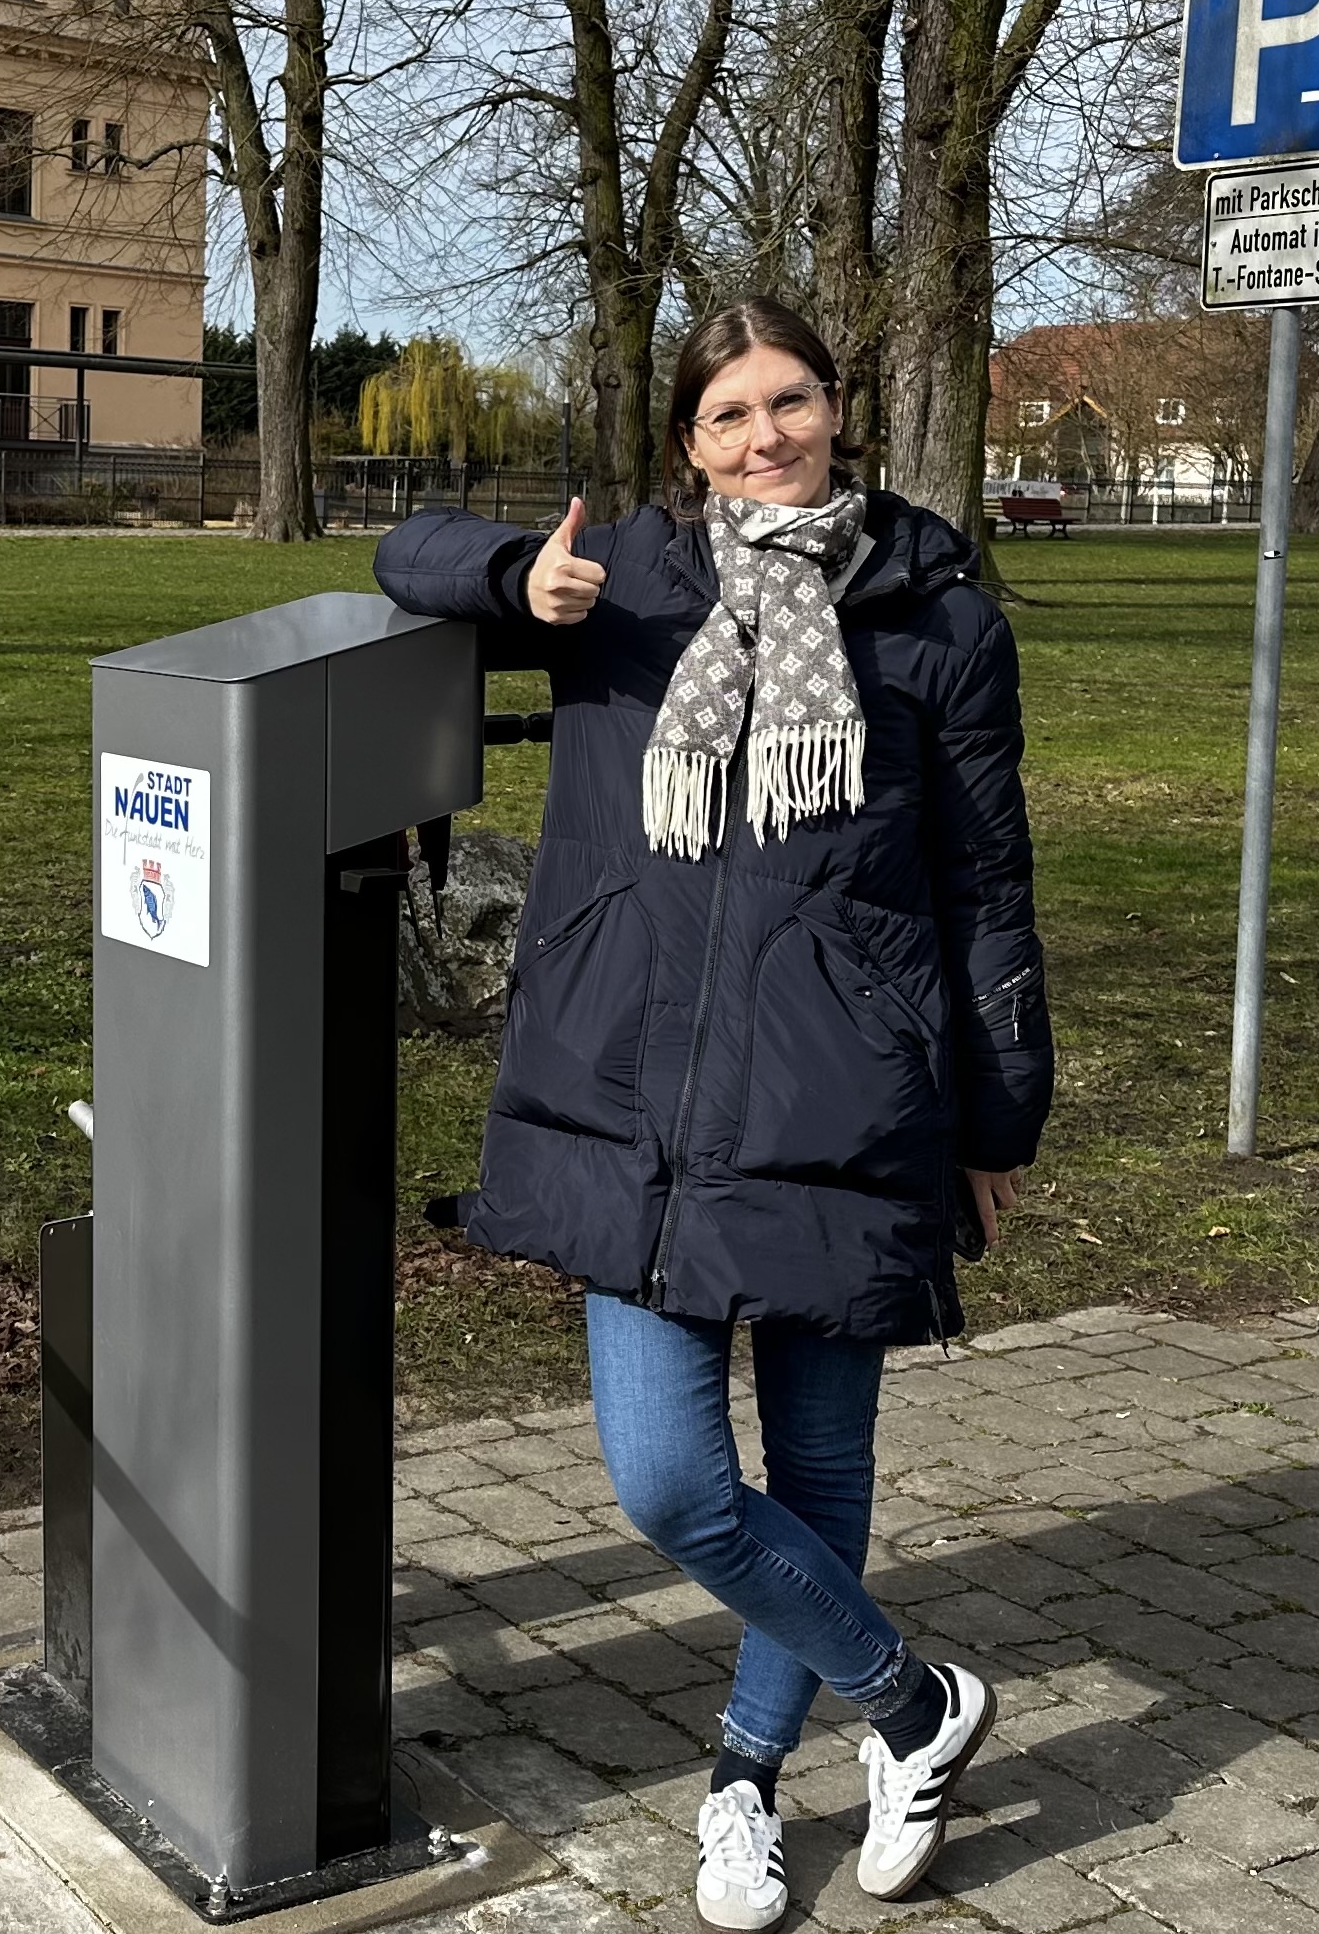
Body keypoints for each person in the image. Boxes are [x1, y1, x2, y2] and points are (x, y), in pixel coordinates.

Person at [373, 298, 1051, 1930]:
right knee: (670, 1484)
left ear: (839, 407)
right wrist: (503, 581)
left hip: (848, 1098)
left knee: (818, 1475)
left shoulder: (936, 608)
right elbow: (403, 553)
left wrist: (996, 1120)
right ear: (690, 440)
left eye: (794, 400)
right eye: (734, 412)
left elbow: (985, 881)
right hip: (637, 1099)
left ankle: (745, 1777)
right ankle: (914, 1708)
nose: (770, 435)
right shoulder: (630, 588)